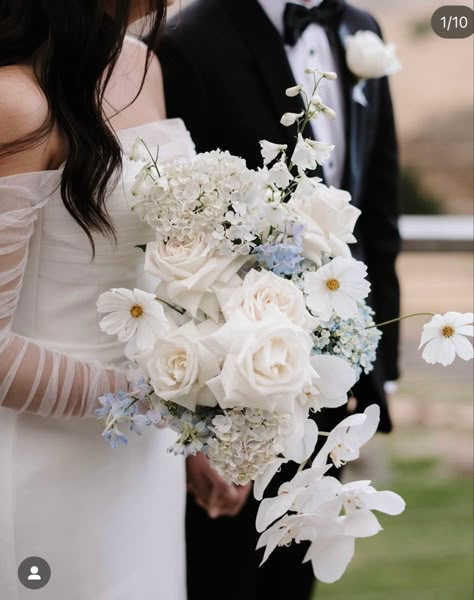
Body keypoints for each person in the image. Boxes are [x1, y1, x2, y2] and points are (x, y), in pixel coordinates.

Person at [158, 0, 401, 598]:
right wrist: (200, 429)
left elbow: (378, 207)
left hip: (332, 384)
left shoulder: (360, 30)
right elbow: (170, 235)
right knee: (222, 577)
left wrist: (375, 373)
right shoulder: (189, 40)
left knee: (293, 582)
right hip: (229, 390)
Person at [0, 2, 199, 598]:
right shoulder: (17, 100)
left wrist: (213, 394)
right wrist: (150, 399)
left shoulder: (140, 63)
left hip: (144, 458)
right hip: (40, 449)